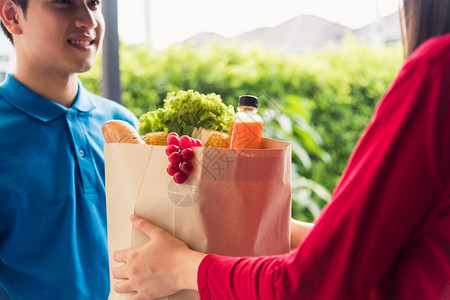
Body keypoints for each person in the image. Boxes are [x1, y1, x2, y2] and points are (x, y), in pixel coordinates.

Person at [112, 0, 450, 299]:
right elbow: (374, 251)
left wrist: (179, 268)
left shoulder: (438, 70)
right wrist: (267, 224)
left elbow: (313, 283)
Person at [0, 0, 137, 299]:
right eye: (63, 3)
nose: (89, 20)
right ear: (12, 15)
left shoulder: (123, 125)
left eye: (94, 3)